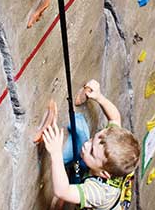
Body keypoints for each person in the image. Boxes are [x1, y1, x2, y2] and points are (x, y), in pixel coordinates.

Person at [42, 80, 140, 210]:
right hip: (99, 180)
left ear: (104, 173)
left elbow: (62, 191)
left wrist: (55, 153)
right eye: (93, 139)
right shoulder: (117, 158)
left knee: (67, 192)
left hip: (101, 197)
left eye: (92, 152)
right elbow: (115, 118)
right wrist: (99, 97)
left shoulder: (98, 193)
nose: (86, 144)